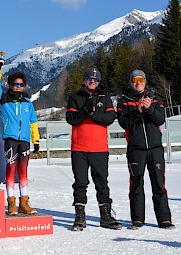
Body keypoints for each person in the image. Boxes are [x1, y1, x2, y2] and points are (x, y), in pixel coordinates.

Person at [66, 66, 122, 231]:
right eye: (90, 79)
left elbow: (110, 117)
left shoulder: (105, 97)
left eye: (96, 80)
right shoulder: (75, 97)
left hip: (99, 148)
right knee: (80, 183)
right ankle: (80, 216)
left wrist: (92, 114)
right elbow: (71, 119)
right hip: (79, 148)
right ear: (84, 80)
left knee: (102, 182)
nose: (92, 81)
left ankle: (105, 216)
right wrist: (85, 110)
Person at [117, 70, 175, 230]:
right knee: (136, 184)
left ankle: (164, 219)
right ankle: (137, 219)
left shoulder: (155, 99)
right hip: (136, 149)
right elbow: (123, 122)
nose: (138, 82)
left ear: (145, 81)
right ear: (130, 82)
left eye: (141, 79)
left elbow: (160, 119)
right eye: (134, 79)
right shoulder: (124, 101)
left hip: (155, 149)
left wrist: (149, 109)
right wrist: (139, 111)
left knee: (159, 184)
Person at [0, 57, 40, 215]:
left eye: (21, 84)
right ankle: (11, 202)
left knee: (23, 171)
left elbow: (33, 121)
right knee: (11, 170)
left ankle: (24, 203)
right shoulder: (5, 98)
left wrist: (36, 139)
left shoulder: (28, 102)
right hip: (11, 139)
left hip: (25, 140)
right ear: (10, 85)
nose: (18, 87)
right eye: (15, 84)